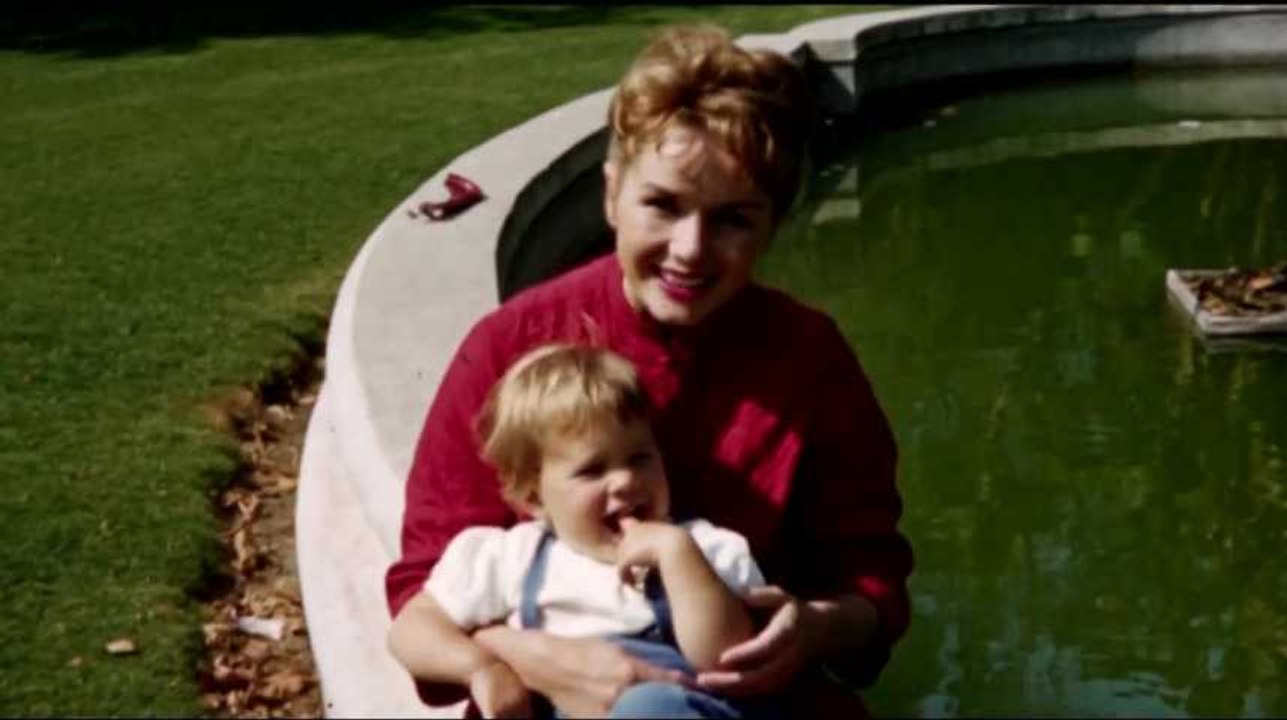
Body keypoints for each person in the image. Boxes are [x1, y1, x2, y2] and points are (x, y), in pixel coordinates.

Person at [386, 23, 914, 718]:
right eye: (661, 205)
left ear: (772, 225)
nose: (690, 250)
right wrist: (524, 656)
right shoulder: (510, 345)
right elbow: (423, 588)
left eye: (732, 219)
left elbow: (872, 584)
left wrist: (816, 627)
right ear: (610, 194)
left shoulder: (807, 356)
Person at [389, 343, 784, 718]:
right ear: (533, 495)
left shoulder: (703, 548)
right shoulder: (510, 558)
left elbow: (726, 656)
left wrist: (677, 555)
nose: (626, 480)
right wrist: (481, 669)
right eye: (593, 470)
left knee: (649, 709)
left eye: (640, 458)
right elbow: (411, 629)